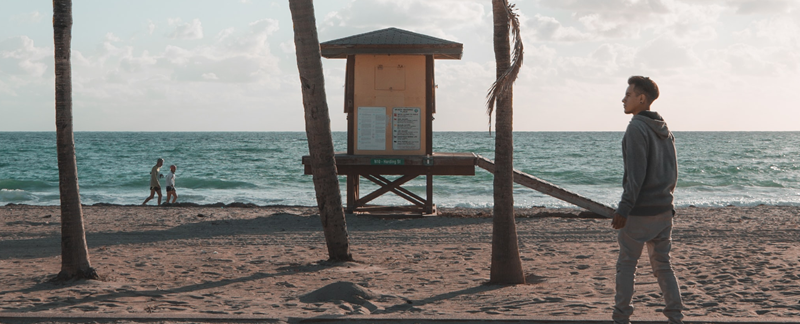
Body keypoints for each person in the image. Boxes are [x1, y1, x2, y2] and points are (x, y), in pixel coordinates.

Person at [611, 76, 683, 324]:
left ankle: (621, 318)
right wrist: (667, 202)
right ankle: (675, 317)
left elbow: (636, 175)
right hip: (664, 211)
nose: (623, 99)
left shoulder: (636, 128)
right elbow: (673, 172)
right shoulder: (665, 129)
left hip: (640, 213)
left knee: (627, 265)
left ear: (642, 99)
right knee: (663, 265)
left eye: (628, 95)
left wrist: (624, 208)